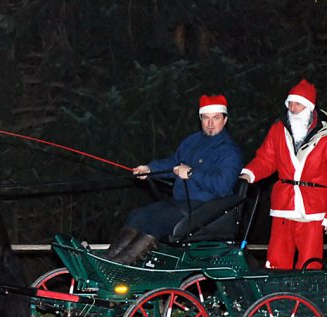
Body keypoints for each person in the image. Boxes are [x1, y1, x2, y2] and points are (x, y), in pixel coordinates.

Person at [104, 94, 244, 264]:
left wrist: (192, 173)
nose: (210, 123)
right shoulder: (192, 141)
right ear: (200, 118)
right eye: (206, 118)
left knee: (157, 220)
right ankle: (109, 258)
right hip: (181, 202)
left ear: (225, 119)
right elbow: (173, 163)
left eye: (215, 118)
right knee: (139, 215)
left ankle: (122, 264)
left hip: (208, 207)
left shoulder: (230, 151)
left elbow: (222, 186)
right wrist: (150, 169)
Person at [239, 79, 327, 270]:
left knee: (310, 262)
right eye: (289, 103)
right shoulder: (278, 130)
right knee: (276, 259)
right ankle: (276, 298)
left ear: (309, 106)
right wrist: (249, 174)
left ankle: (307, 298)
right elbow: (266, 159)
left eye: (297, 104)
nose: (292, 108)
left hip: (313, 209)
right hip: (284, 204)